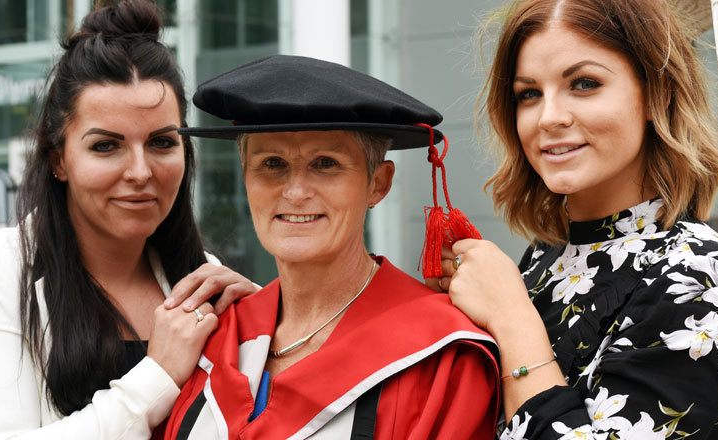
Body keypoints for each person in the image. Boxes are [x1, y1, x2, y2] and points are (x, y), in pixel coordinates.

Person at [434, 0, 718, 438]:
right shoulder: (548, 254)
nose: (549, 117)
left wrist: (510, 316)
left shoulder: (698, 272)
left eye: (584, 83)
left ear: (659, 94)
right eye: (529, 94)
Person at [0, 1, 257, 438]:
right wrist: (156, 378)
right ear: (59, 160)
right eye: (105, 146)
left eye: (162, 143)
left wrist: (267, 331)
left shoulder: (207, 282)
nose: (140, 171)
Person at [162, 55, 500, 439]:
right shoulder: (218, 336)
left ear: (378, 183)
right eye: (272, 164)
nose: (295, 192)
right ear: (245, 177)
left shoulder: (442, 356)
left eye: (325, 163)